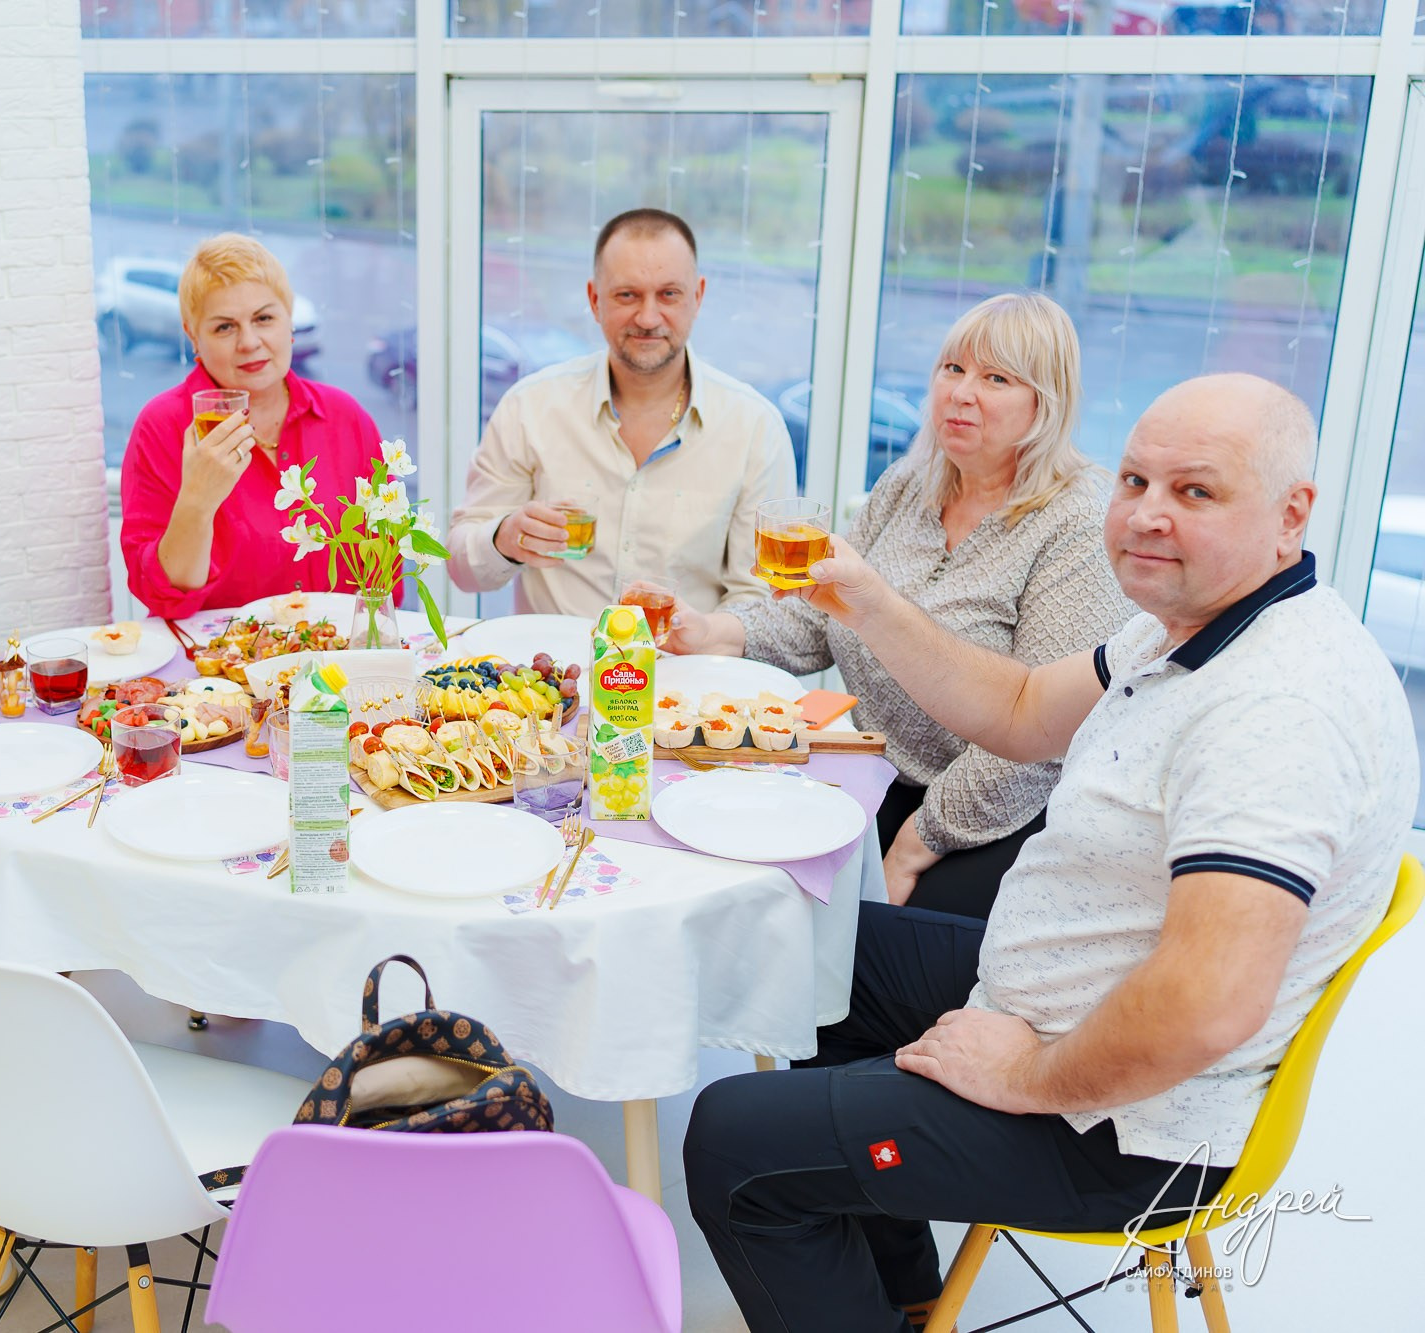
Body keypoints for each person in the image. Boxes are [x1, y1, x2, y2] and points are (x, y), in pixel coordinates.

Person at [683, 374, 1416, 1333]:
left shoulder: (1276, 711)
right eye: (1137, 481)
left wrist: (1024, 1075)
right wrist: (862, 598)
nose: (1148, 515)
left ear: (1291, 515)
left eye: (1194, 492)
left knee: (735, 1145)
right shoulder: (1188, 625)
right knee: (808, 949)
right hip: (1058, 995)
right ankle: (898, 1292)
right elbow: (1025, 711)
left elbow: (1211, 1001)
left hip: (1125, 1123)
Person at [644, 292, 1133, 918]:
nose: (961, 393)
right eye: (953, 369)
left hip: (997, 814)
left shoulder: (1077, 522)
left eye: (996, 378)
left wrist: (913, 843)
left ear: (1046, 402)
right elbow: (818, 623)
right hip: (873, 777)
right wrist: (710, 630)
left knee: (846, 943)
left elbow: (1041, 743)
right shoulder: (911, 482)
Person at [446, 208, 795, 618]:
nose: (647, 318)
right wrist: (503, 538)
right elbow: (461, 568)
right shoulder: (531, 407)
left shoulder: (754, 427)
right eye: (627, 295)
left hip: (683, 675)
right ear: (595, 300)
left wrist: (701, 634)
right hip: (552, 676)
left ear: (697, 297)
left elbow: (762, 602)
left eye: (668, 294)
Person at [120, 233, 395, 618]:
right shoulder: (163, 426)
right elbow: (165, 597)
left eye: (264, 318)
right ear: (192, 337)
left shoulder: (345, 418)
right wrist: (198, 499)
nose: (249, 342)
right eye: (224, 328)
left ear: (290, 320)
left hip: (338, 665)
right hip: (219, 671)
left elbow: (385, 579)